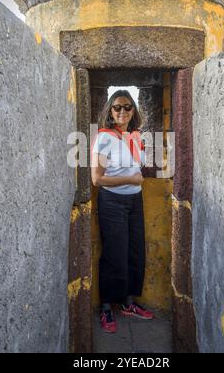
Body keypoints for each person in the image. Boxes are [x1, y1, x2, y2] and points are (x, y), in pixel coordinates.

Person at [91, 90, 155, 334]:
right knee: (113, 254)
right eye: (117, 107)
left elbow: (139, 164)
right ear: (110, 110)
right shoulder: (104, 137)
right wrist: (130, 178)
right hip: (112, 202)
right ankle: (106, 307)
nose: (122, 112)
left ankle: (129, 303)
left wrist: (134, 177)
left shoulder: (136, 136)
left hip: (134, 201)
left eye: (127, 107)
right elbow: (98, 179)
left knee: (135, 252)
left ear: (133, 111)